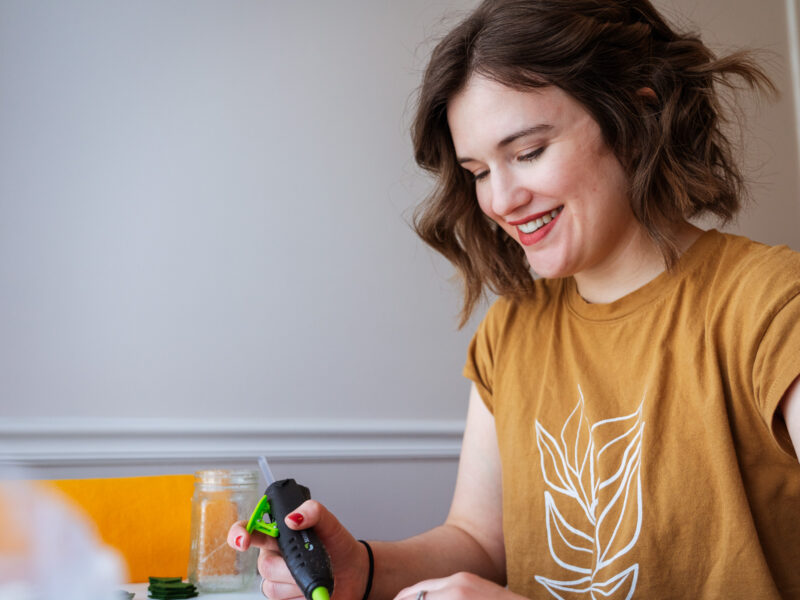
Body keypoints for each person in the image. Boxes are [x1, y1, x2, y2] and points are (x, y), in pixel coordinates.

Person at [227, 0, 800, 597]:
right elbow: (480, 543)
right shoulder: (511, 330)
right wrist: (361, 569)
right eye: (477, 171)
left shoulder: (774, 304)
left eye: (527, 153)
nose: (500, 200)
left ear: (639, 112)